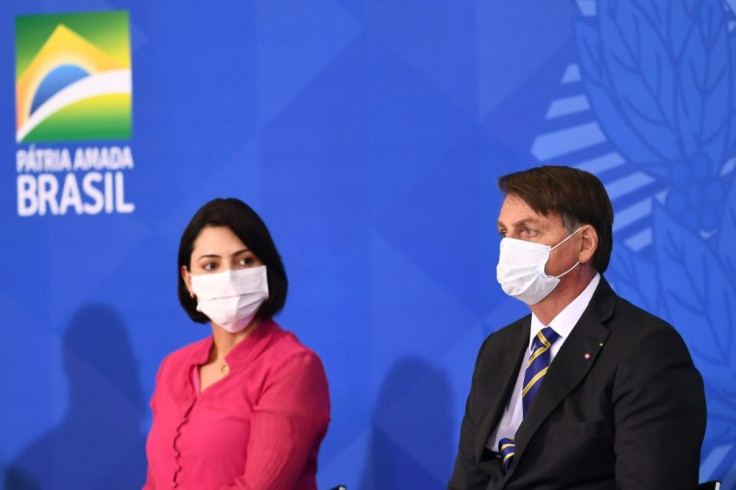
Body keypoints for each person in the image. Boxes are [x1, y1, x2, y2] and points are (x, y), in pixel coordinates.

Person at [448, 166, 706, 490]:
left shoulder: (645, 349)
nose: (509, 247)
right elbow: (466, 482)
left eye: (528, 231)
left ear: (584, 243)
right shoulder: (497, 349)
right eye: (504, 233)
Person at [144, 198, 330, 490]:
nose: (228, 278)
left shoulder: (293, 367)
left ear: (265, 269)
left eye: (244, 261)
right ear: (189, 280)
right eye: (211, 265)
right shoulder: (173, 368)